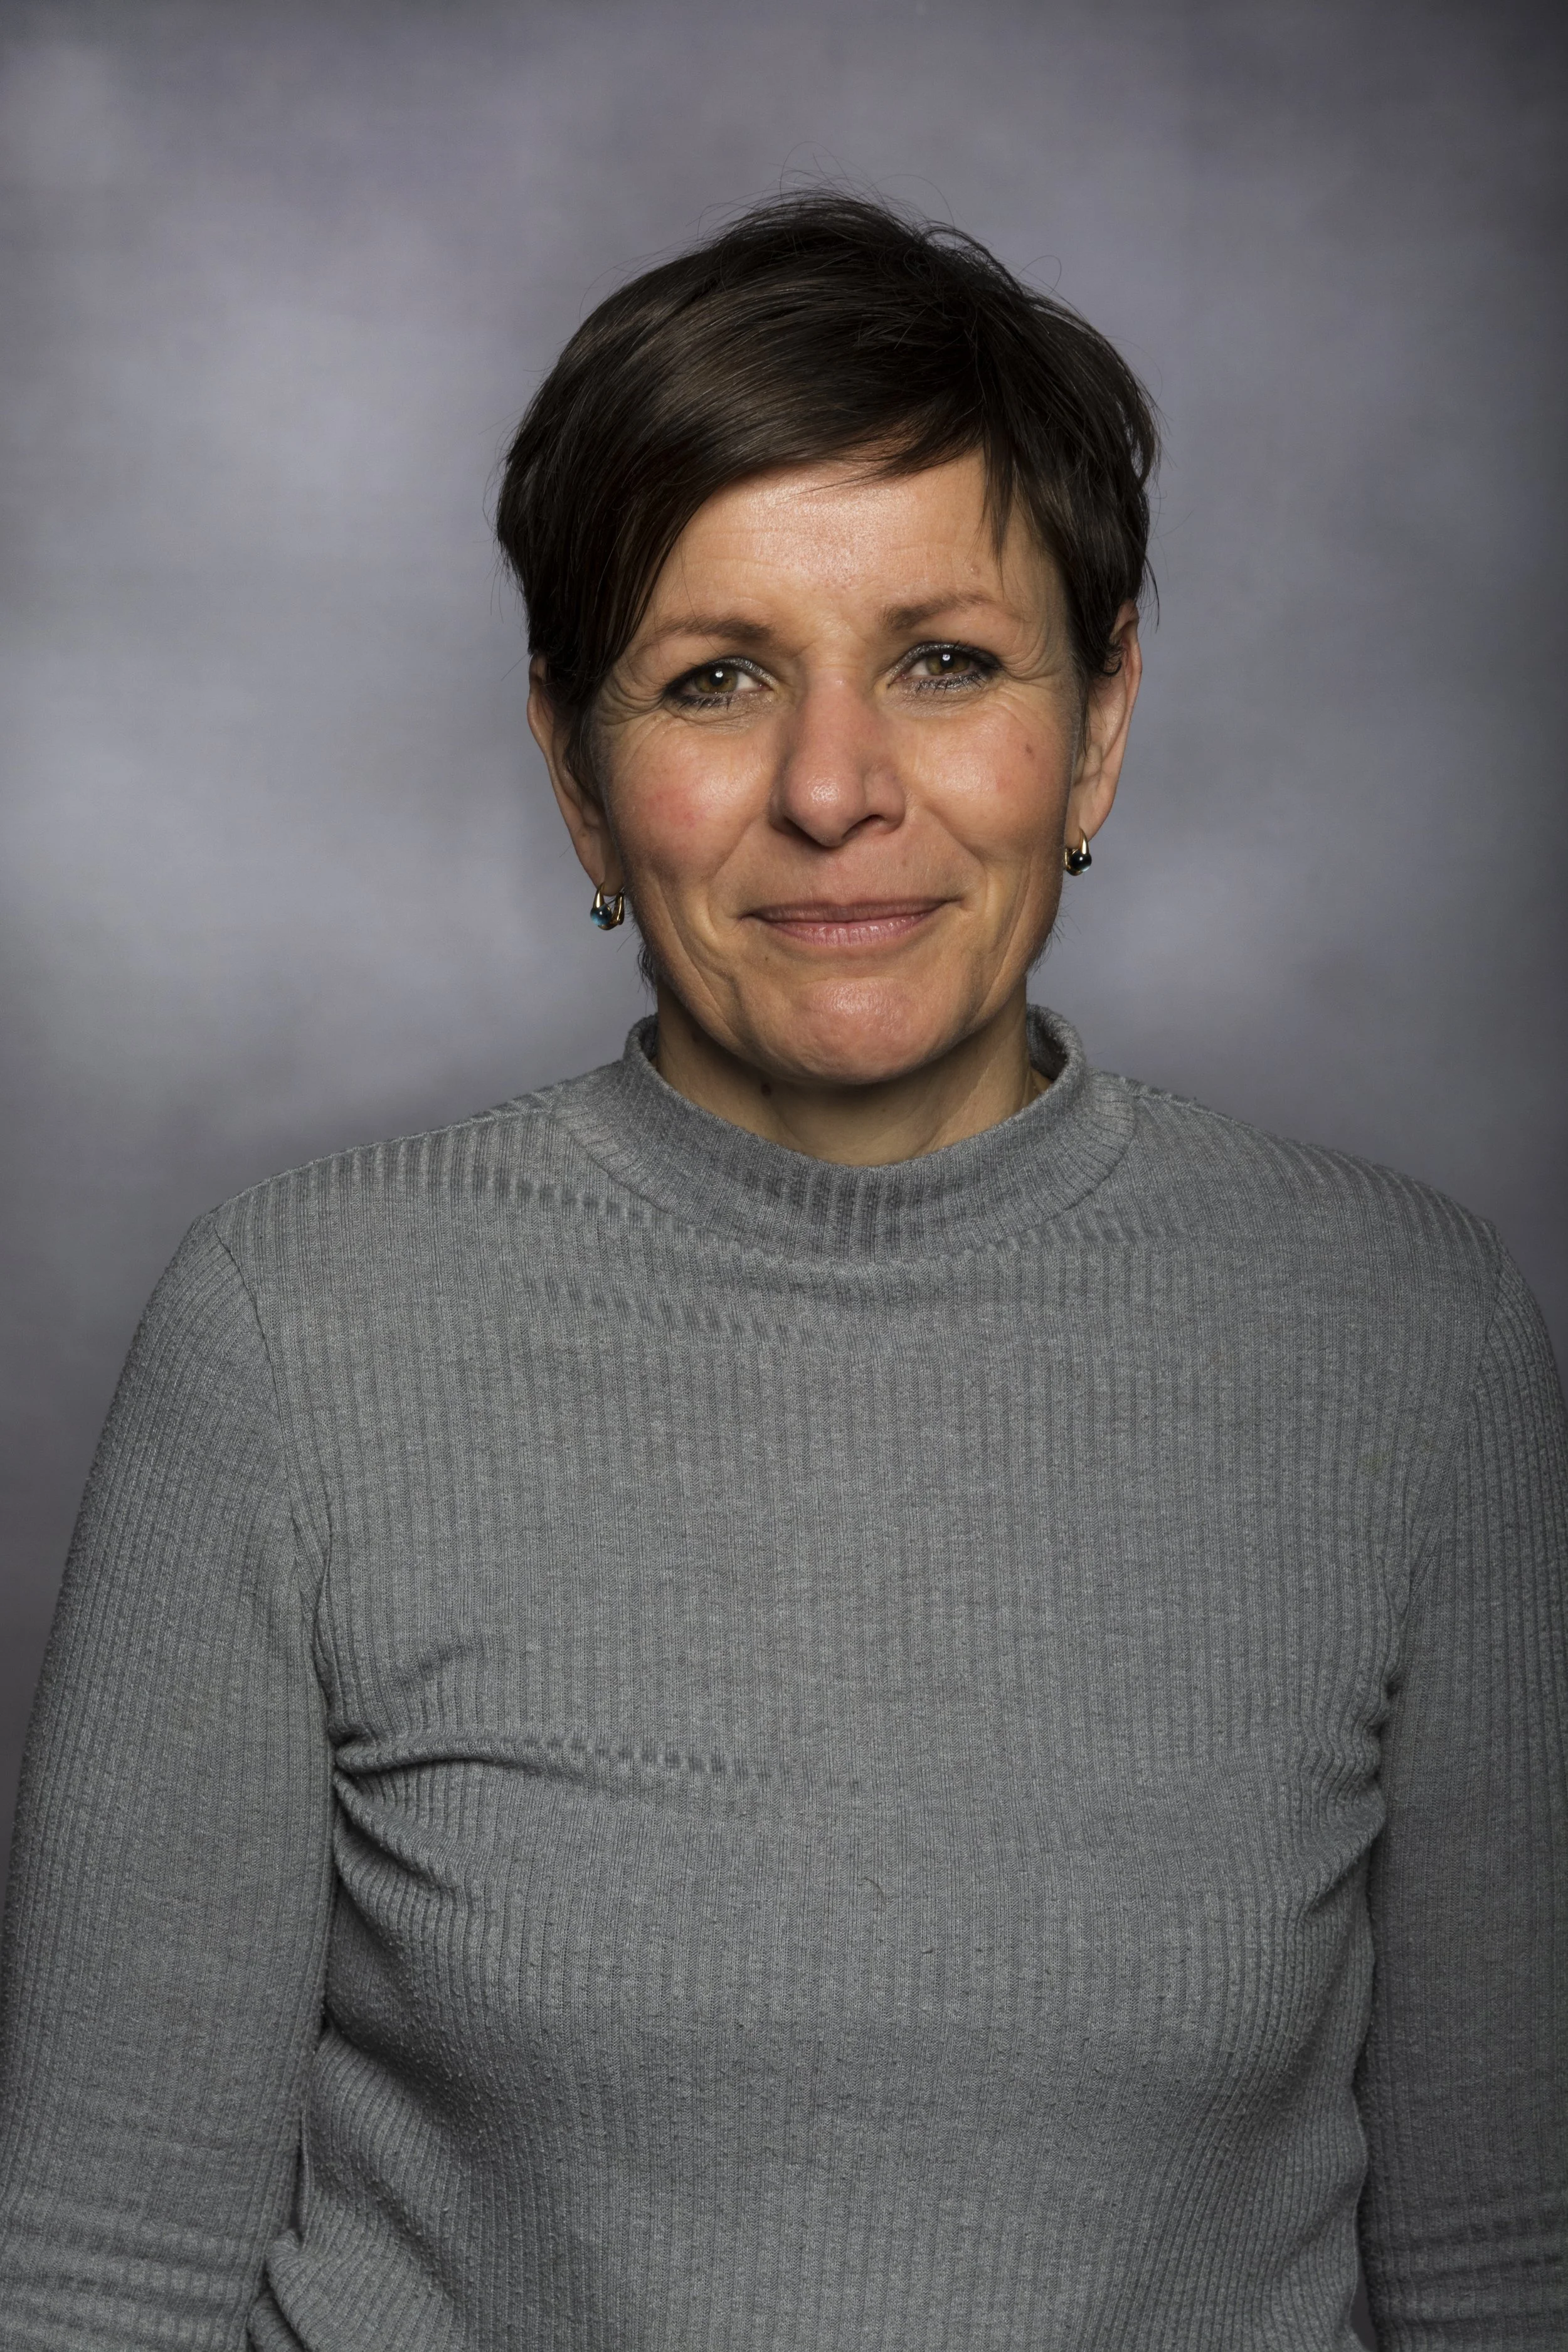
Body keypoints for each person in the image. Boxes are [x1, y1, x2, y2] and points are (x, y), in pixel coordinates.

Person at [0, 190, 1562, 2352]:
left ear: (1095, 725)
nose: (835, 791)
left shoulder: (1410, 1344)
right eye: (716, 677)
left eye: (945, 662)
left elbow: (1508, 2270)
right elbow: (93, 2277)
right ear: (573, 771)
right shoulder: (294, 1343)